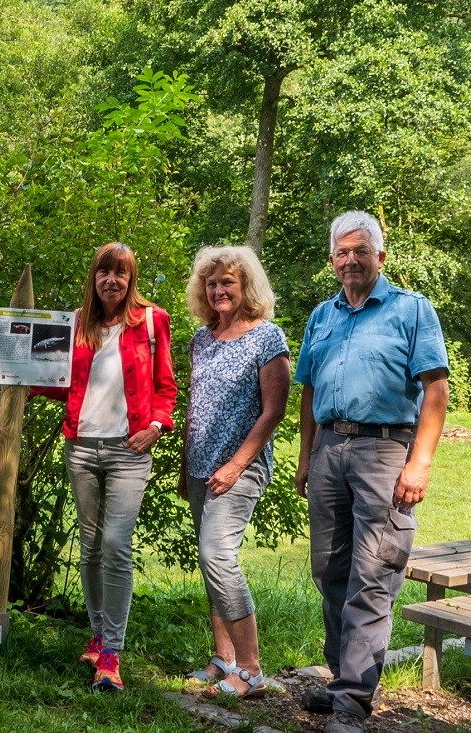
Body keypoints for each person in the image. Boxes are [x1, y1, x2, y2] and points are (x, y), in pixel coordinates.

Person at [294, 211, 449, 733]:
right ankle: (344, 677)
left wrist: (419, 463)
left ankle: (354, 701)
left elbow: (435, 389)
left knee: (373, 572)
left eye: (361, 250)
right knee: (331, 570)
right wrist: (305, 456)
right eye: (342, 251)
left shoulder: (411, 310)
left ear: (380, 256)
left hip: (385, 452)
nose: (351, 260)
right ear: (331, 259)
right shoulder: (323, 315)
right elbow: (309, 389)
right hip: (329, 448)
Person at [34, 242, 177, 691]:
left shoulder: (153, 321)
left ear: (131, 278)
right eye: (103, 272)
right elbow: (65, 385)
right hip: (81, 448)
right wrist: (20, 376)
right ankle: (97, 636)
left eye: (121, 273)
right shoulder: (76, 324)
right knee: (91, 546)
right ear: (93, 277)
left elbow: (166, 387)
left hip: (128, 451)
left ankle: (112, 651)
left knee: (116, 544)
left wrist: (157, 424)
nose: (111, 280)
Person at [178, 246, 289, 700]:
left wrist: (236, 464)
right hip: (201, 468)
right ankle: (223, 659)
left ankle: (251, 671)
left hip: (240, 469)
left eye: (228, 282)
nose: (219, 290)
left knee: (219, 557)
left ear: (246, 287)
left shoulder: (267, 337)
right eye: (212, 283)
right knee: (210, 565)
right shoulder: (202, 339)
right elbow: (194, 407)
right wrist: (187, 467)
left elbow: (274, 411)